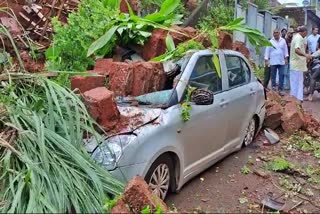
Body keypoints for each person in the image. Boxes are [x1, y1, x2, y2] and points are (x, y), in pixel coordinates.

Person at [290, 26, 312, 102]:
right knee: (295, 83)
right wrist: (306, 55)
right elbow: (296, 50)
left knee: (299, 82)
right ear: (304, 32)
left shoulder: (299, 37)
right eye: (306, 33)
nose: (306, 35)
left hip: (298, 65)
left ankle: (299, 98)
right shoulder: (298, 38)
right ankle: (294, 99)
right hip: (296, 65)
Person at [264, 29, 289, 95]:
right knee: (273, 76)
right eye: (274, 33)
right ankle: (274, 88)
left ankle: (280, 89)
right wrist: (266, 60)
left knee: (281, 75)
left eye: (277, 33)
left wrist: (286, 58)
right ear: (273, 34)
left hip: (281, 61)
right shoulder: (270, 41)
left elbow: (285, 50)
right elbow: (267, 51)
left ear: (279, 33)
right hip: (273, 61)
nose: (275, 34)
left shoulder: (283, 41)